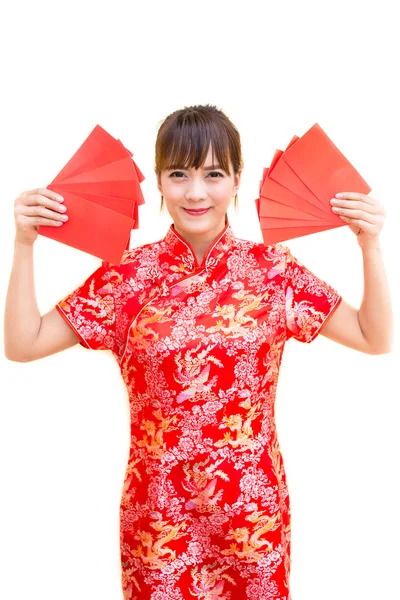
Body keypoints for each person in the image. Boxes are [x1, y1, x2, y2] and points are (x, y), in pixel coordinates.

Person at [4, 104, 393, 600]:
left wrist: (370, 246)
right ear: (160, 181)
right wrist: (23, 242)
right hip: (158, 517)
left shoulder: (273, 270)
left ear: (235, 179)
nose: (195, 192)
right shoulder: (127, 277)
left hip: (252, 512)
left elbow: (373, 336)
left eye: (213, 174)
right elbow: (23, 343)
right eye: (179, 173)